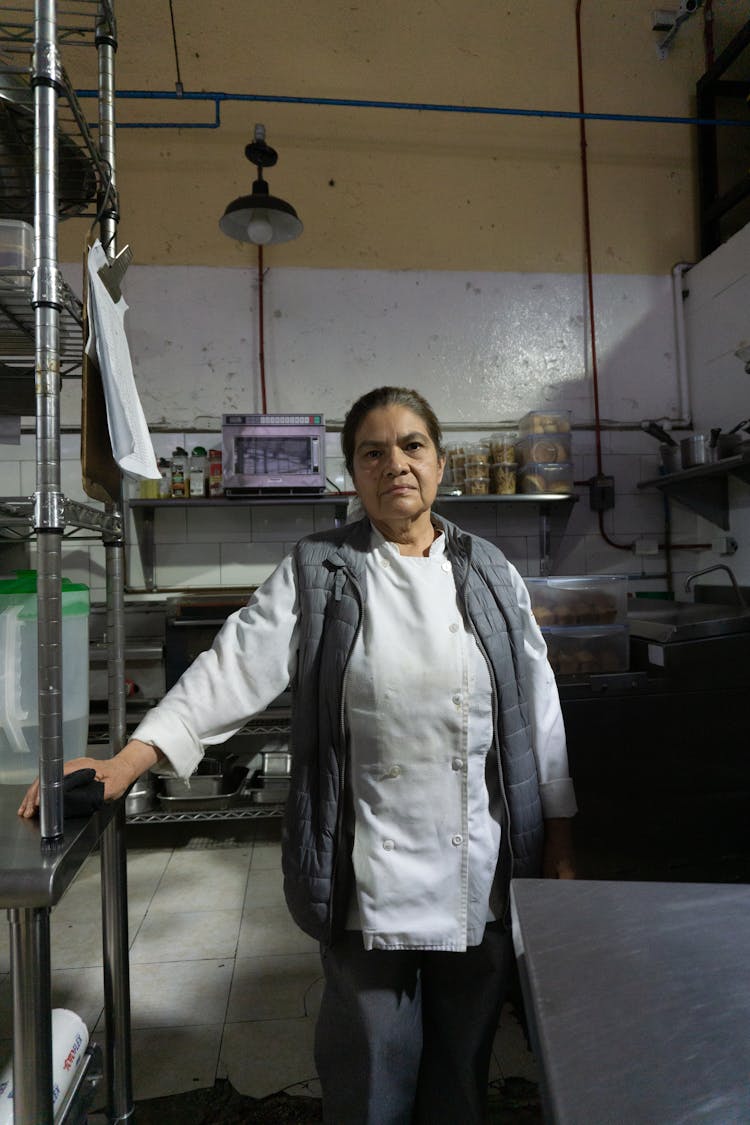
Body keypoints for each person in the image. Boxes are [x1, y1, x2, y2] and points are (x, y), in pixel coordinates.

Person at [19, 385, 576, 1124]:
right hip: (367, 873)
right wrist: (130, 757)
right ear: (353, 475)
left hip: (482, 865)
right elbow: (232, 666)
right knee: (372, 1074)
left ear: (440, 465)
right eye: (373, 452)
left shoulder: (492, 572)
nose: (396, 464)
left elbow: (539, 715)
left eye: (412, 446)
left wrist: (562, 843)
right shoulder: (319, 569)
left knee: (463, 1070)